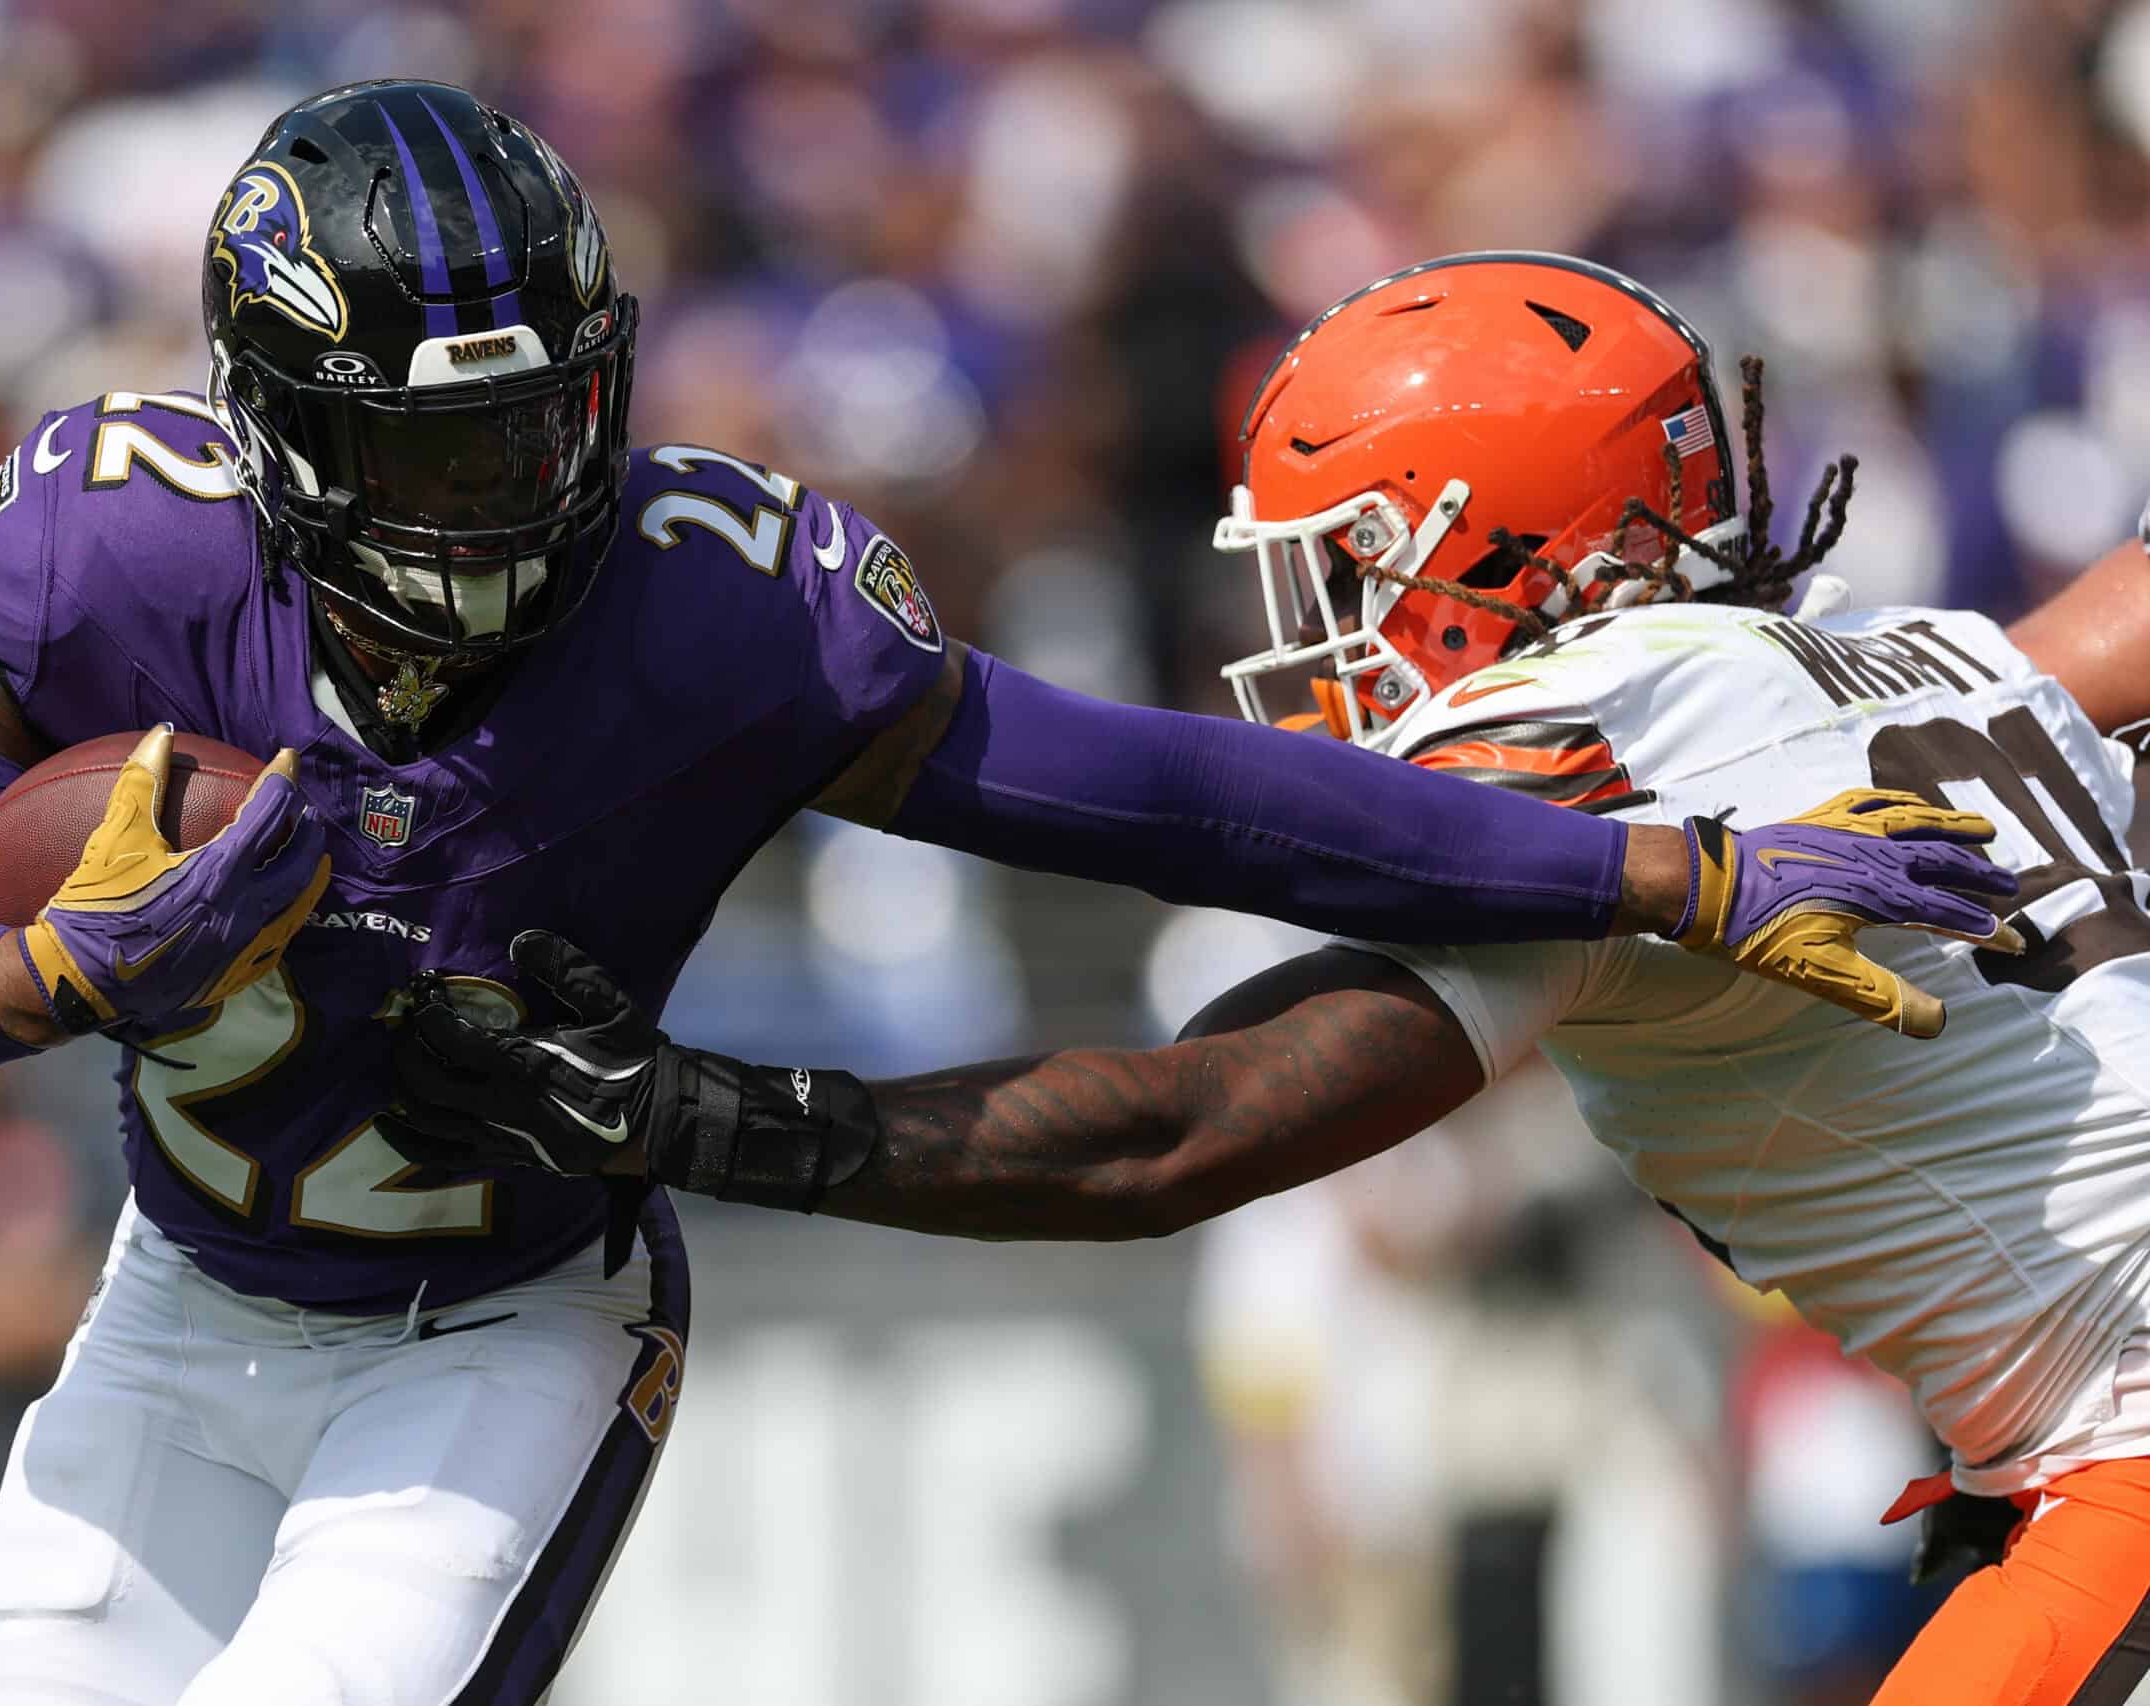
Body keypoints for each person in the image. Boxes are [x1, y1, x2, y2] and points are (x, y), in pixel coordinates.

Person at [0, 88, 2000, 1706]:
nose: (499, 501)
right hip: (175, 1313)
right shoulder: (113, 554)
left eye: (536, 430)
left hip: (496, 1328)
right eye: (431, 449)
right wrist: (39, 966)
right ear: (288, 425)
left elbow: (1172, 804)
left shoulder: (727, 608)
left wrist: (1647, 860)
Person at [402, 253, 2150, 1706]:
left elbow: (1175, 1135)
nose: (1316, 630)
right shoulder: (1930, 652)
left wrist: (708, 1117)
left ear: (1474, 556)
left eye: (1343, 567)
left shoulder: (1569, 753)